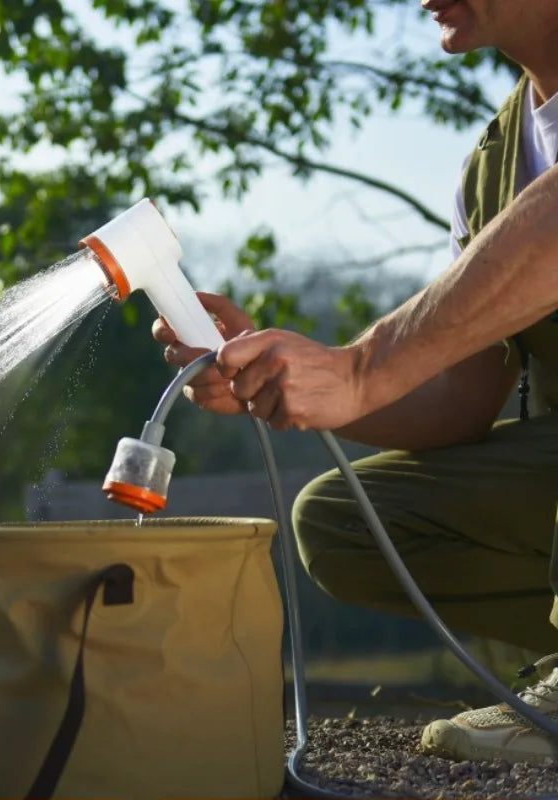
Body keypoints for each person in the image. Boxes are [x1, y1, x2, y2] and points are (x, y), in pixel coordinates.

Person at [153, 0, 558, 765]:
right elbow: (465, 394)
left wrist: (361, 370)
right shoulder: (494, 163)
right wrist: (286, 378)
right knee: (345, 520)